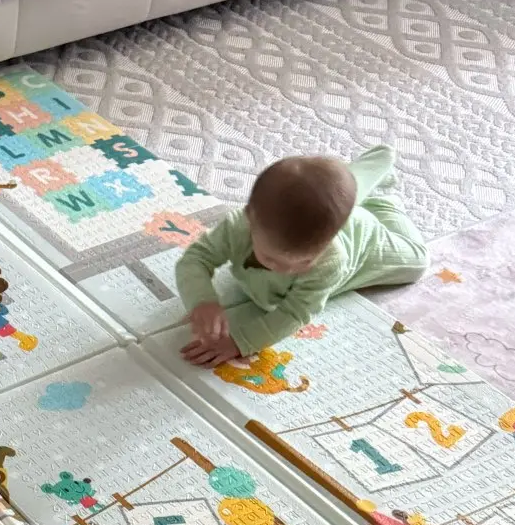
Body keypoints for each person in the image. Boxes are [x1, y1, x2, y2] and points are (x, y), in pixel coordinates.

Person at [177, 145, 428, 366]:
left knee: (418, 262)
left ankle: (383, 203)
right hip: (328, 217)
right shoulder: (237, 226)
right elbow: (195, 258)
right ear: (251, 221)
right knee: (336, 195)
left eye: (306, 261)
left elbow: (294, 313)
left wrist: (241, 342)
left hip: (365, 240)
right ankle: (358, 179)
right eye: (271, 259)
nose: (287, 270)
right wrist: (202, 300)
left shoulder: (332, 260)